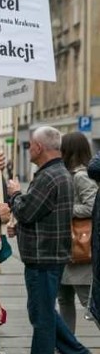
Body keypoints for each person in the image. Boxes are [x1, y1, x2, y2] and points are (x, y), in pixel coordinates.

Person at [6, 126, 94, 354]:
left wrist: (14, 195)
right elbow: (42, 214)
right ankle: (76, 353)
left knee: (41, 314)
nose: (29, 148)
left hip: (43, 256)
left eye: (31, 144)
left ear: (39, 148)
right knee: (40, 310)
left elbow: (28, 211)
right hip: (50, 254)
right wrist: (19, 224)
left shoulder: (48, 177)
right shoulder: (59, 173)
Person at [57, 132, 97, 333]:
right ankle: (67, 348)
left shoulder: (81, 176)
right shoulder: (69, 173)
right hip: (68, 248)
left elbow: (92, 206)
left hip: (80, 247)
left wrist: (66, 209)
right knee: (64, 299)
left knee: (88, 301)